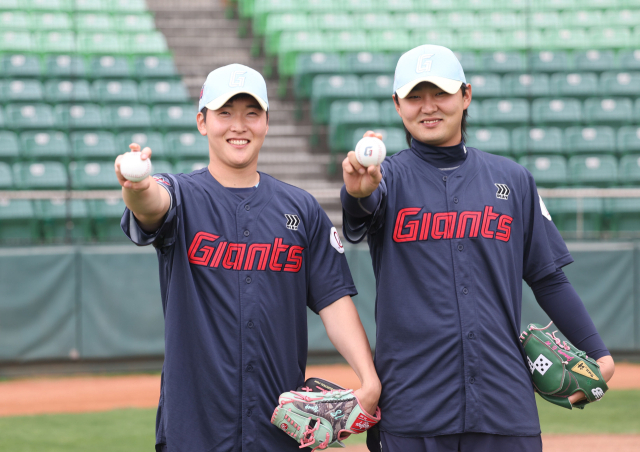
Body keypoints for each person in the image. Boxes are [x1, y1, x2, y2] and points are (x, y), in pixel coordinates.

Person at [340, 45, 615, 452]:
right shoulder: (387, 181)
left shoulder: (514, 180)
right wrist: (357, 193)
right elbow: (362, 209)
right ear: (398, 105)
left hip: (503, 404)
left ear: (465, 96)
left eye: (441, 94)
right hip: (412, 406)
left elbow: (547, 277)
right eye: (415, 96)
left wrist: (600, 356)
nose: (428, 107)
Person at [115, 63, 381, 451]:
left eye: (251, 113)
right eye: (225, 113)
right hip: (195, 430)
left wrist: (369, 379)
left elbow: (334, 300)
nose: (238, 126)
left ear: (267, 123)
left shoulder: (302, 209)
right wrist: (136, 186)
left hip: (276, 432)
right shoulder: (183, 196)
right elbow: (152, 203)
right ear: (202, 122)